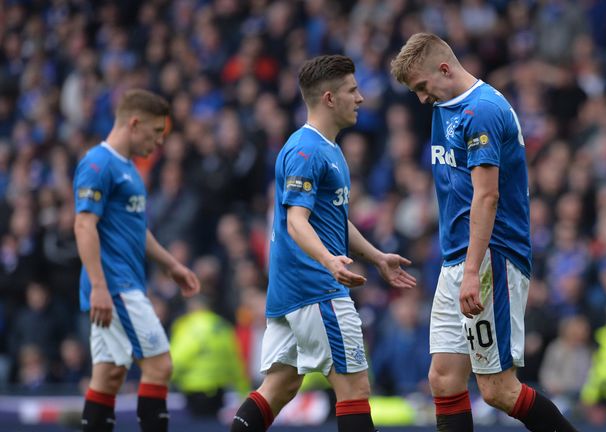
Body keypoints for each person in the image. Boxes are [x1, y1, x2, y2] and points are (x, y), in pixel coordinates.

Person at [390, 33, 578, 432]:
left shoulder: (484, 110)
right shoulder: (445, 106)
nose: (422, 99)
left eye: (422, 87)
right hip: (457, 257)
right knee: (443, 378)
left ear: (444, 69)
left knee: (498, 390)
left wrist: (473, 270)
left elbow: (487, 196)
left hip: (491, 256)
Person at [230, 54, 417, 432]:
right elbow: (296, 222)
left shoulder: (328, 149)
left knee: (280, 386)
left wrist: (377, 257)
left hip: (292, 292)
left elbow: (332, 221)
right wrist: (330, 261)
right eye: (353, 90)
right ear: (330, 98)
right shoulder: (307, 150)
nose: (361, 98)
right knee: (355, 389)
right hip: (316, 289)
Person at [73, 89, 200, 432]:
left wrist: (170, 265)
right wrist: (100, 285)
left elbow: (137, 230)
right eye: (156, 131)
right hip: (115, 285)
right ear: (134, 123)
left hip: (122, 283)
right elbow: (84, 224)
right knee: (159, 366)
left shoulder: (129, 170)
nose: (159, 141)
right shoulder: (99, 164)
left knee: (110, 373)